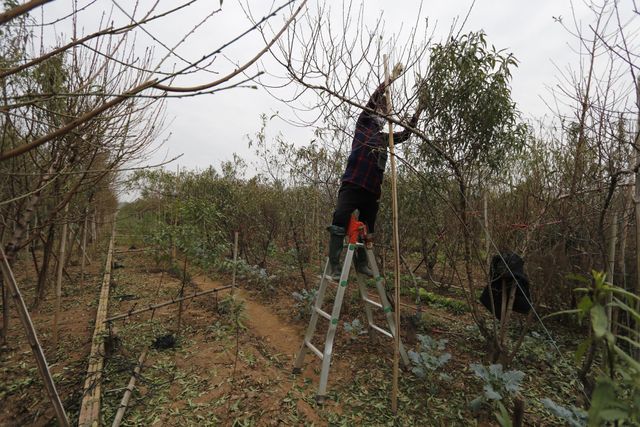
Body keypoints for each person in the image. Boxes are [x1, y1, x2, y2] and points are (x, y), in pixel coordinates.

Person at [327, 78, 423, 280]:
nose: (382, 114)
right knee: (339, 218)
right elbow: (371, 103)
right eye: (380, 111)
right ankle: (334, 265)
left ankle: (361, 263)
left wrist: (418, 112)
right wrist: (387, 83)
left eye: (385, 112)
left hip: (372, 191)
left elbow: (406, 135)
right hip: (353, 184)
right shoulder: (363, 125)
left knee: (368, 227)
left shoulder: (383, 137)